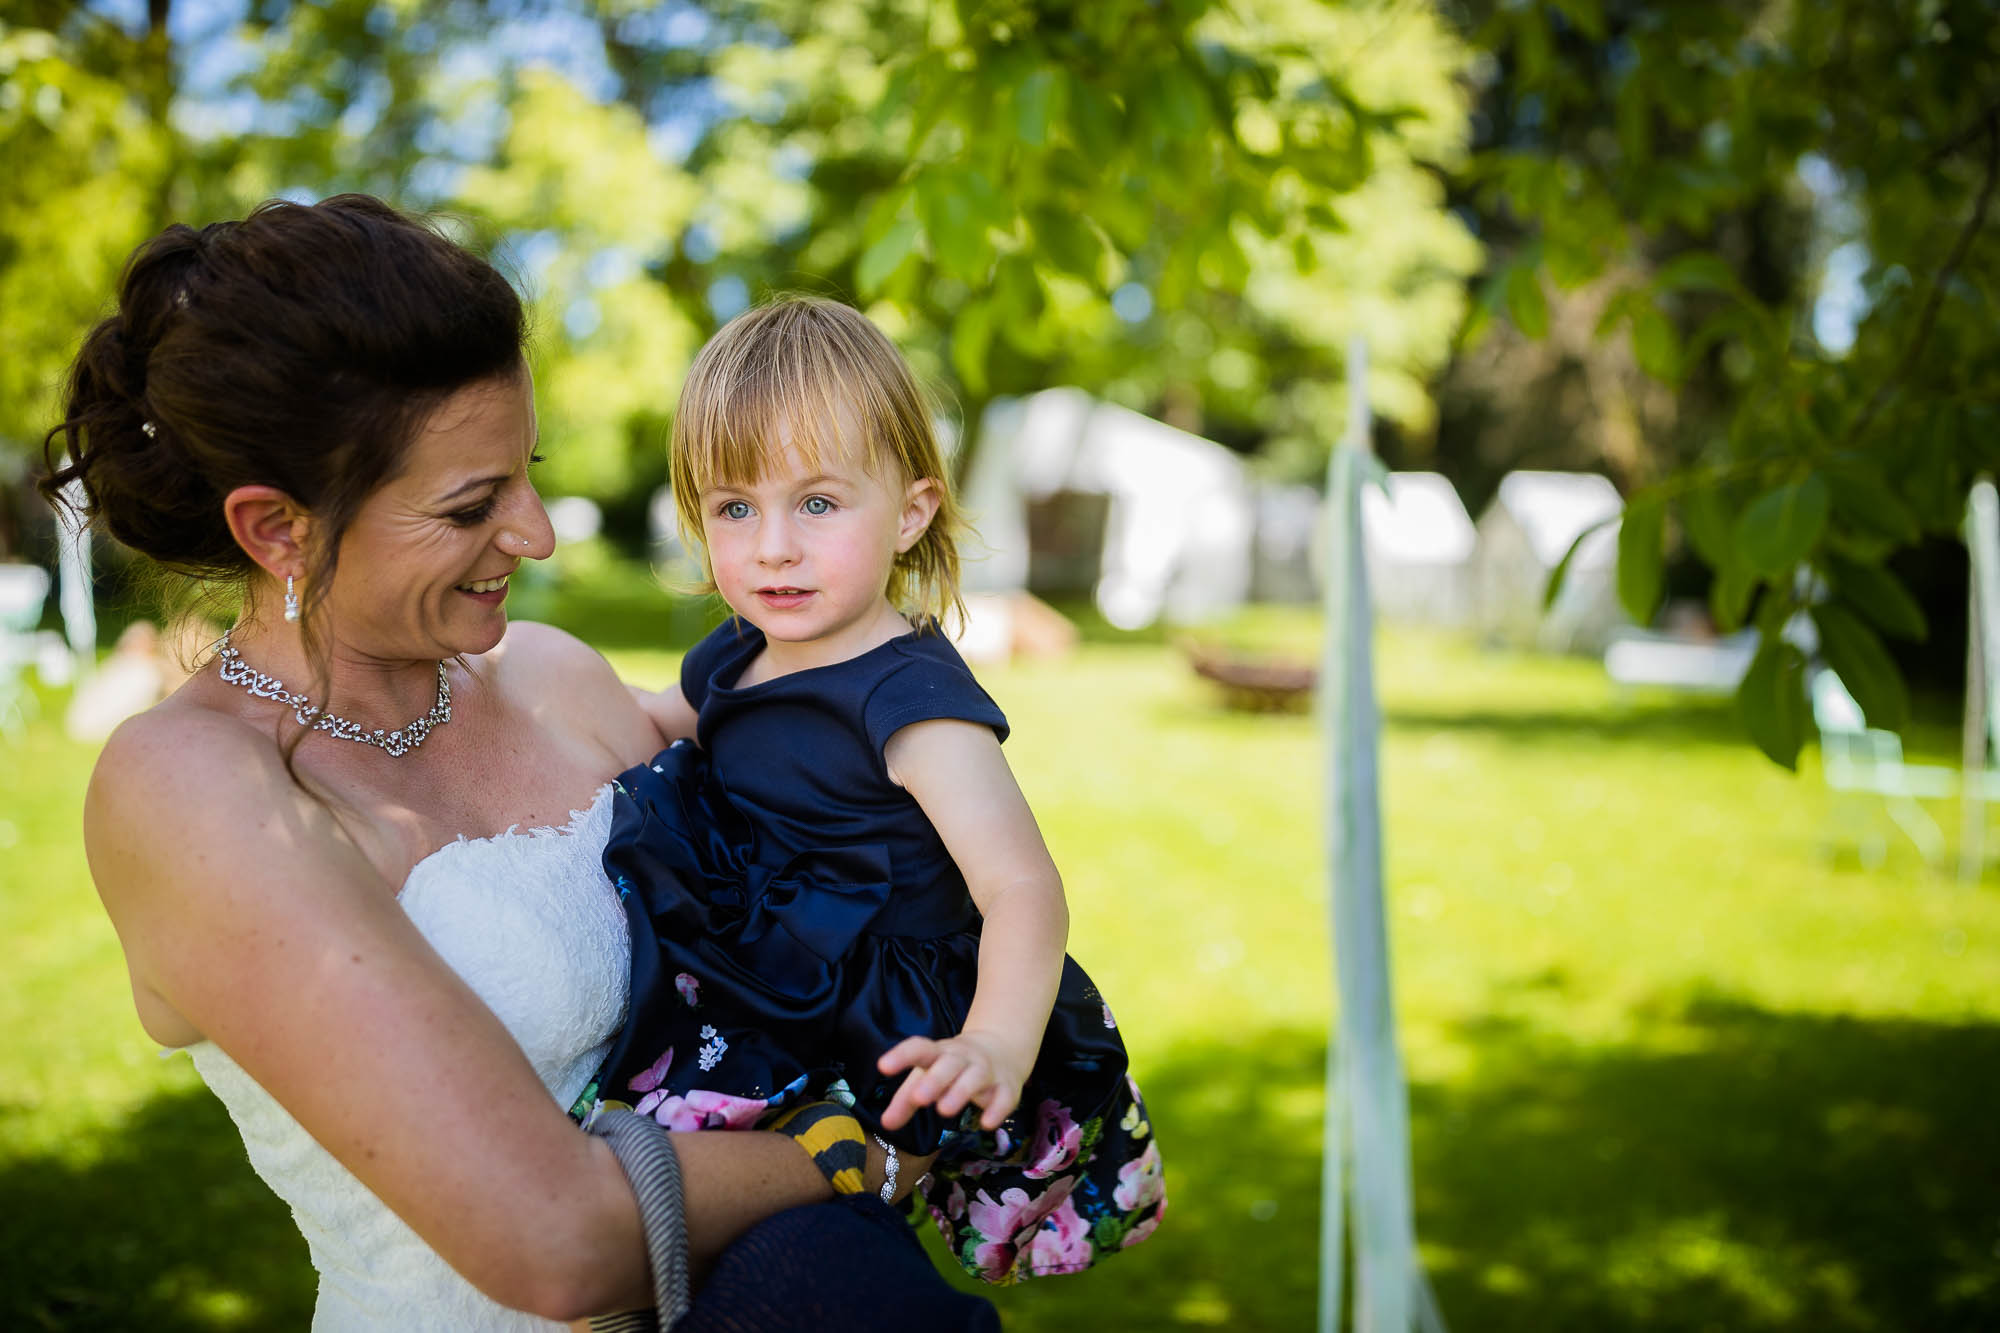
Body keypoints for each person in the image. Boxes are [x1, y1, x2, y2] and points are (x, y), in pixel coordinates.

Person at [41, 195, 997, 1330]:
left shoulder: (548, 674)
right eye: (469, 504)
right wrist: (883, 1154)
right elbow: (559, 1244)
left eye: (525, 469)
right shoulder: (192, 790)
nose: (536, 534)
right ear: (277, 530)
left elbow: (836, 829)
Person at [586, 296, 1167, 1285]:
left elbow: (1020, 887)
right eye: (734, 507)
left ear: (909, 511)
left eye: (816, 502)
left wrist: (992, 1038)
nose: (772, 544)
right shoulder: (739, 652)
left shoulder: (910, 700)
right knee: (695, 1211)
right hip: (777, 961)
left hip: (887, 1004)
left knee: (825, 1234)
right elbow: (656, 718)